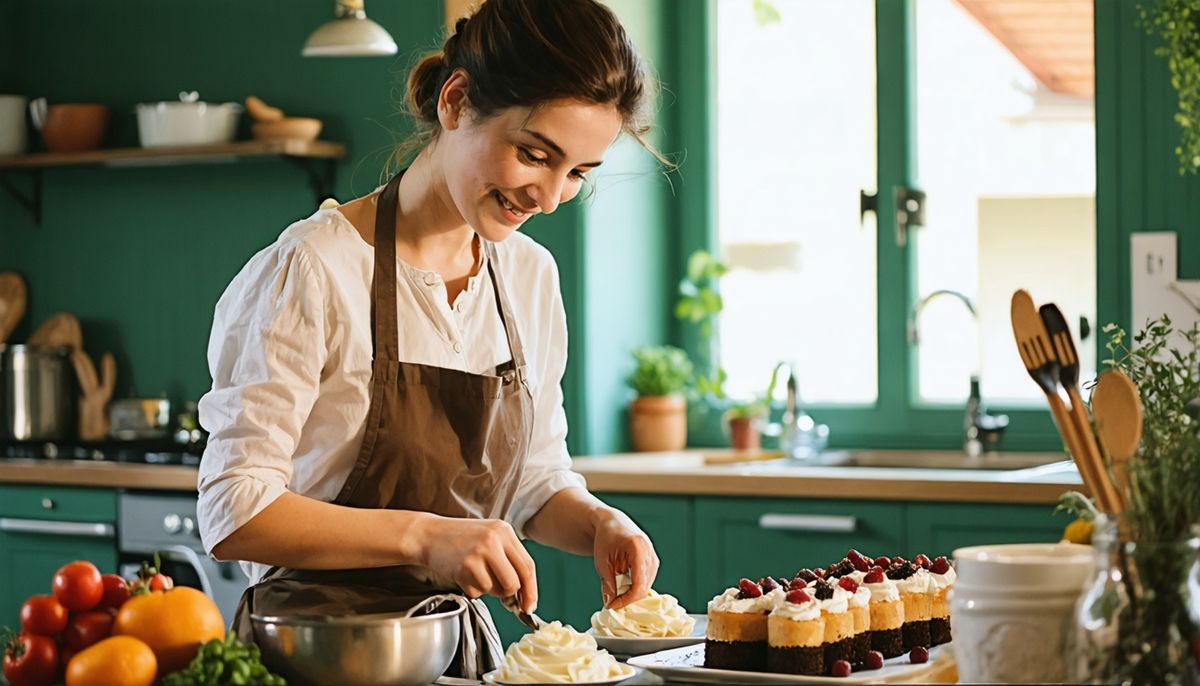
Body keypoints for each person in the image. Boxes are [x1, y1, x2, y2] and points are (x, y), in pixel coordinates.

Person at [196, 0, 665, 677]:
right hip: (315, 656)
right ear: (456, 101)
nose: (551, 196)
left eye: (578, 173)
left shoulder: (528, 277)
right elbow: (235, 508)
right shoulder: (315, 268)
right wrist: (424, 537)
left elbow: (532, 481)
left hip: (456, 656)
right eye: (536, 155)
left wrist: (597, 524)